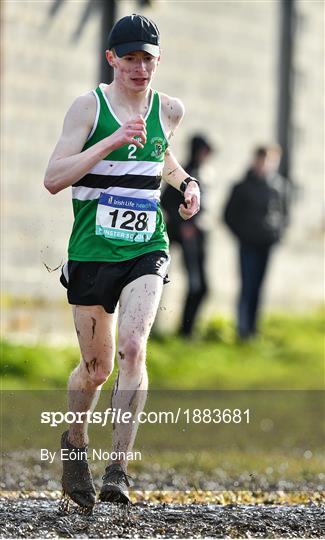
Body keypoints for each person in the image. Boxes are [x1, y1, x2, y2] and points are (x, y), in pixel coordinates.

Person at [44, 13, 200, 511]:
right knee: (96, 368)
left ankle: (118, 470)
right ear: (111, 58)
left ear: (158, 61)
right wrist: (111, 140)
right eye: (129, 58)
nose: (139, 68)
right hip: (91, 251)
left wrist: (187, 184)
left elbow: (162, 157)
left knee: (135, 347)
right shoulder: (87, 108)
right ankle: (74, 442)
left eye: (147, 59)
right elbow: (53, 178)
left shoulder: (169, 110)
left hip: (144, 247)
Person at [223, 145, 291, 340]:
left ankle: (253, 328)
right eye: (262, 160)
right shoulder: (242, 186)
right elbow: (228, 216)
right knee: (247, 285)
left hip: (266, 245)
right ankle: (242, 329)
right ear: (255, 160)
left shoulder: (279, 187)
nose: (265, 165)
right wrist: (242, 234)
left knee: (260, 287)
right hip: (248, 244)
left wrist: (277, 235)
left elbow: (284, 215)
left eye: (270, 161)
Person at [161, 135, 212, 337]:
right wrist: (183, 224)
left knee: (201, 286)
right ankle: (185, 331)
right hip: (182, 235)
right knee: (194, 284)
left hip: (198, 237)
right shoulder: (184, 174)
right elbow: (166, 201)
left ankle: (187, 330)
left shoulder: (204, 173)